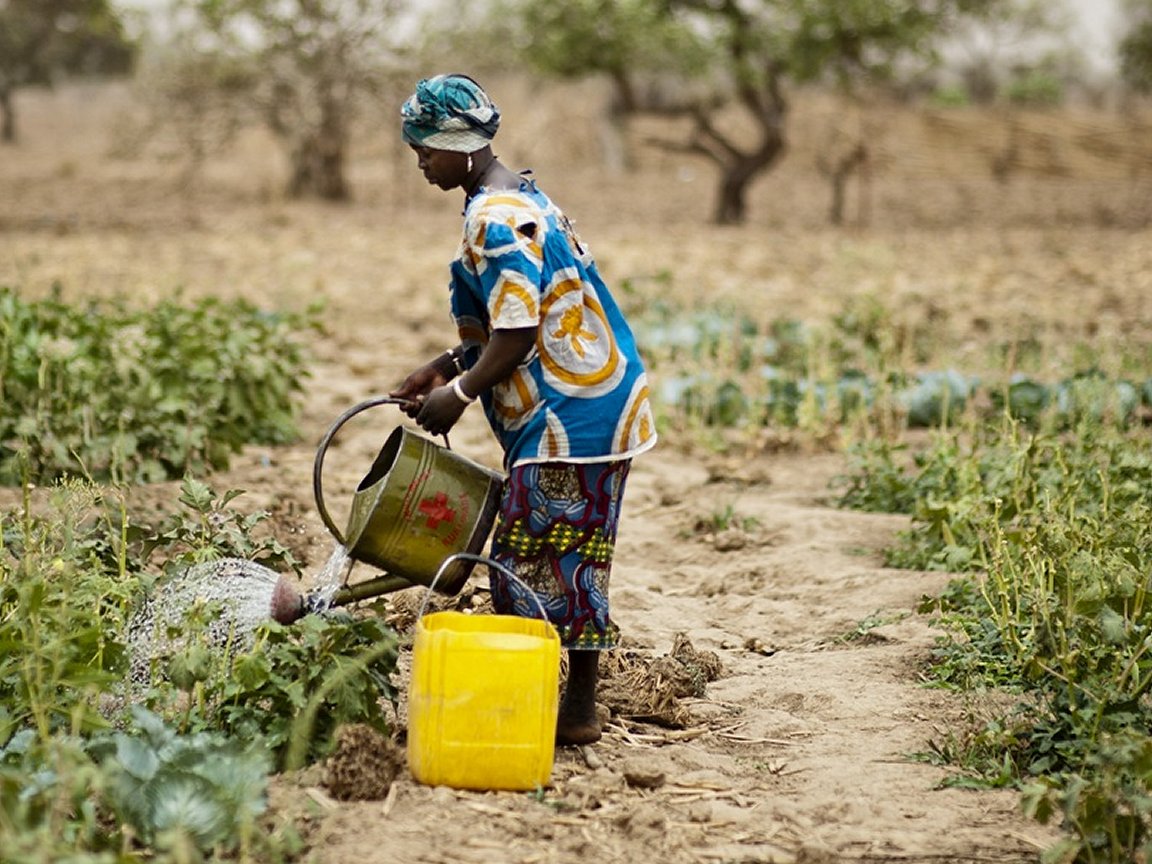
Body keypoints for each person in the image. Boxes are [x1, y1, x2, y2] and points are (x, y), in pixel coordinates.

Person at [390, 74, 657, 746]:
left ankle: (556, 710)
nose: (419, 159)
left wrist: (460, 393)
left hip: (572, 415)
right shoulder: (518, 195)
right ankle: (572, 708)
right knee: (569, 553)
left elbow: (515, 333)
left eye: (425, 147)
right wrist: (444, 365)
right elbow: (507, 319)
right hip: (592, 403)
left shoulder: (493, 217)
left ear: (461, 145)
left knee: (531, 562)